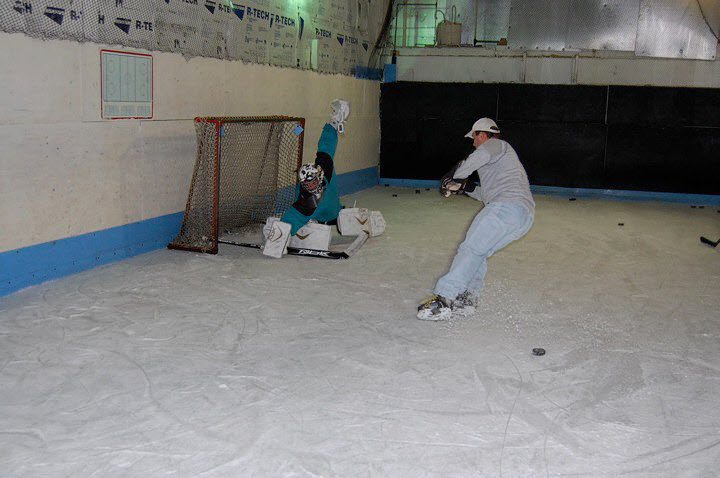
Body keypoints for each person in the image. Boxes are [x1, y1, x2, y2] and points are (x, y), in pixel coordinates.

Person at [417, 118, 535, 320]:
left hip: (505, 207)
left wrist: (455, 176)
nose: (473, 142)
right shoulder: (502, 159)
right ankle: (468, 299)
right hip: (521, 215)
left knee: (470, 248)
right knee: (479, 252)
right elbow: (487, 195)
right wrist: (464, 187)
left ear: (482, 134)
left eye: (474, 137)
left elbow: (473, 160)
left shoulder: (495, 145)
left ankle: (444, 299)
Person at [262, 99, 350, 257]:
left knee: (337, 220)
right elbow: (326, 147)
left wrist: (334, 122)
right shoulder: (319, 179)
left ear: (319, 174)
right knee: (305, 219)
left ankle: (336, 220)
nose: (312, 187)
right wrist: (334, 123)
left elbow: (326, 146)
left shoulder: (310, 196)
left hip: (332, 216)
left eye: (313, 182)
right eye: (308, 184)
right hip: (327, 216)